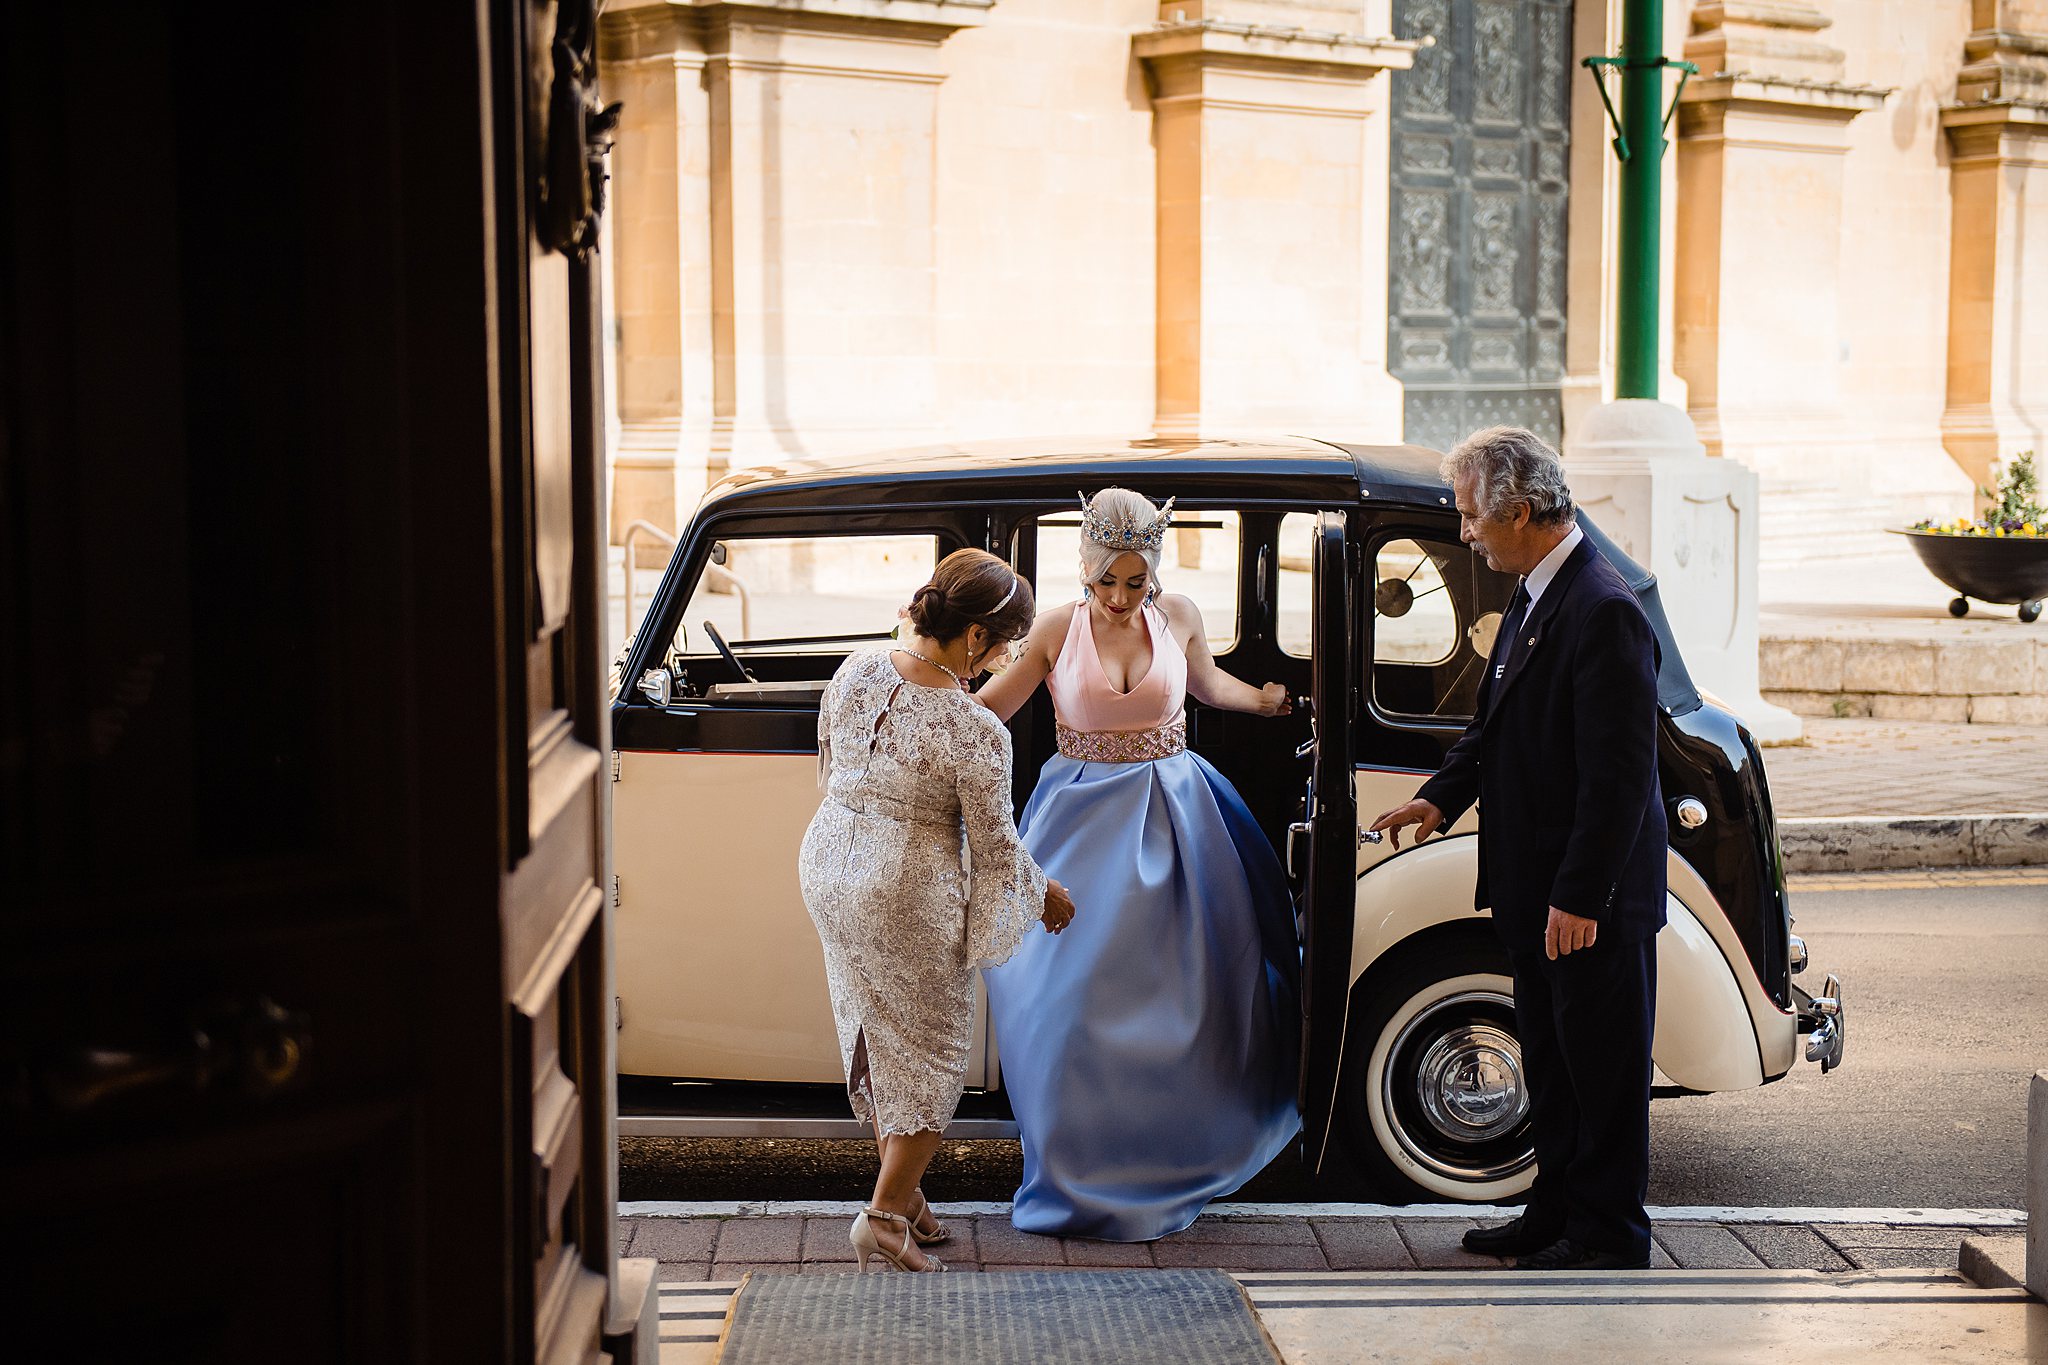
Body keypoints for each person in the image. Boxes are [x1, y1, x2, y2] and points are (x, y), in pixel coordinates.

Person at [1370, 426, 1667, 1272]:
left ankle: (1609, 1235)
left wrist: (1580, 897)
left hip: (1586, 903)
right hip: (1538, 890)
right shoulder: (1541, 591)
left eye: (1471, 517)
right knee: (1554, 1064)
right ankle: (1551, 1215)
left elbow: (1618, 780)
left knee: (1602, 1072)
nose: (1464, 532)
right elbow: (1492, 724)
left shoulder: (1602, 608)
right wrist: (1438, 798)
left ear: (1523, 511)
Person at [975, 488, 1300, 1242]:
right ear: (1083, 567)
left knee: (1187, 993)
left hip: (1176, 813)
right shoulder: (1057, 627)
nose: (1121, 598)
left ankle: (1175, 1152)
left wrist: (1264, 701)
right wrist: (910, 694)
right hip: (1079, 821)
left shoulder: (1177, 613)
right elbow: (992, 706)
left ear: (1153, 571)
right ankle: (1075, 1169)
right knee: (1065, 998)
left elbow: (1211, 685)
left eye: (1135, 581)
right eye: (1106, 582)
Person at [798, 548, 1079, 1272]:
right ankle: (885, 1220)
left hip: (829, 863)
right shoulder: (976, 729)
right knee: (931, 1058)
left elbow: (829, 762)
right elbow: (994, 847)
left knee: (874, 1033)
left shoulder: (857, 666)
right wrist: (1044, 891)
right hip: (904, 894)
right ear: (977, 637)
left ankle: (908, 1192)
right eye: (1007, 643)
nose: (1006, 658)